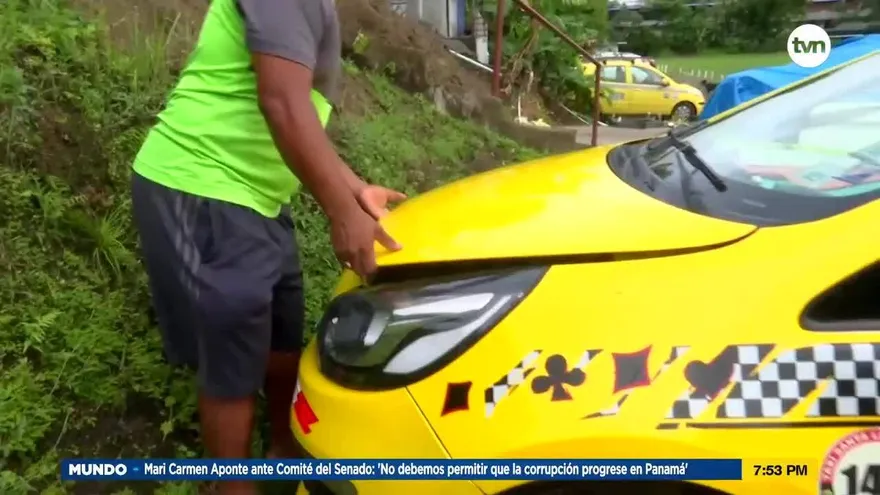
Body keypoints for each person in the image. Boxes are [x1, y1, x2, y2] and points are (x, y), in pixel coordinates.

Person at [129, 0, 405, 493]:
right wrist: (341, 212)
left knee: (282, 332)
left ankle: (285, 446)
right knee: (233, 337)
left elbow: (299, 109)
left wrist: (353, 189)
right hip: (202, 184)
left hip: (257, 196)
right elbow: (281, 103)